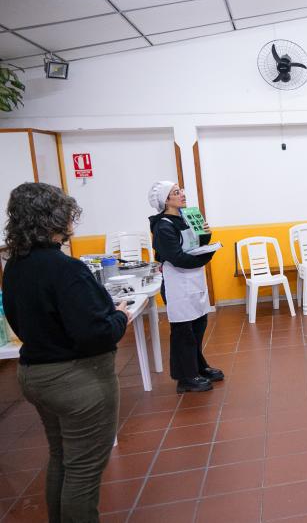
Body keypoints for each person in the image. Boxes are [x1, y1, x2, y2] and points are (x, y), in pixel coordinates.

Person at [2, 182, 131, 522]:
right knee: (85, 471)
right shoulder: (65, 268)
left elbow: (18, 320)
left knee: (61, 456)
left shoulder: (15, 265)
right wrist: (120, 316)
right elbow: (96, 334)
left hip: (35, 374)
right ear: (55, 218)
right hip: (77, 381)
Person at [148, 181, 223, 393]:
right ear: (166, 200)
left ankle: (198, 367)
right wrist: (207, 256)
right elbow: (177, 257)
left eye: (180, 190)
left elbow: (195, 244)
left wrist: (205, 234)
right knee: (183, 332)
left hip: (193, 279)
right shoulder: (163, 226)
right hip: (177, 283)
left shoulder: (184, 217)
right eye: (176, 192)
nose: (182, 194)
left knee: (198, 325)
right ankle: (185, 377)